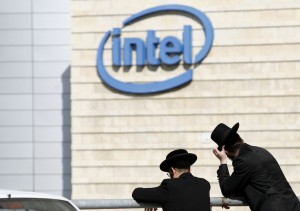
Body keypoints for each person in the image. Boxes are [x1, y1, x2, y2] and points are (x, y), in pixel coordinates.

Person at [211, 122, 300, 211]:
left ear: (226, 151)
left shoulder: (243, 161)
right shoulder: (260, 151)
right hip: (293, 205)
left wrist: (223, 161)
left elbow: (227, 189)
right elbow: (256, 183)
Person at [132, 149, 211, 211]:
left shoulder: (169, 186)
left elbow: (136, 193)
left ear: (173, 170)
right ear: (190, 169)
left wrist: (152, 201)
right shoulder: (204, 184)